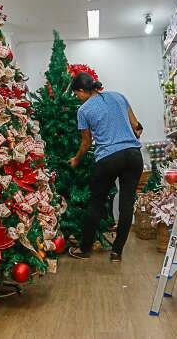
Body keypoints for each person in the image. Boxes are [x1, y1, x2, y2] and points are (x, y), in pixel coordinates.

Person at [67, 72, 143, 263]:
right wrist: (129, 137)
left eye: (77, 94)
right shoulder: (118, 96)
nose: (77, 98)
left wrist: (76, 159)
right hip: (134, 155)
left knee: (96, 202)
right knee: (126, 204)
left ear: (82, 91)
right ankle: (117, 252)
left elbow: (86, 143)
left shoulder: (84, 111)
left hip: (108, 158)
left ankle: (84, 248)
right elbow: (137, 126)